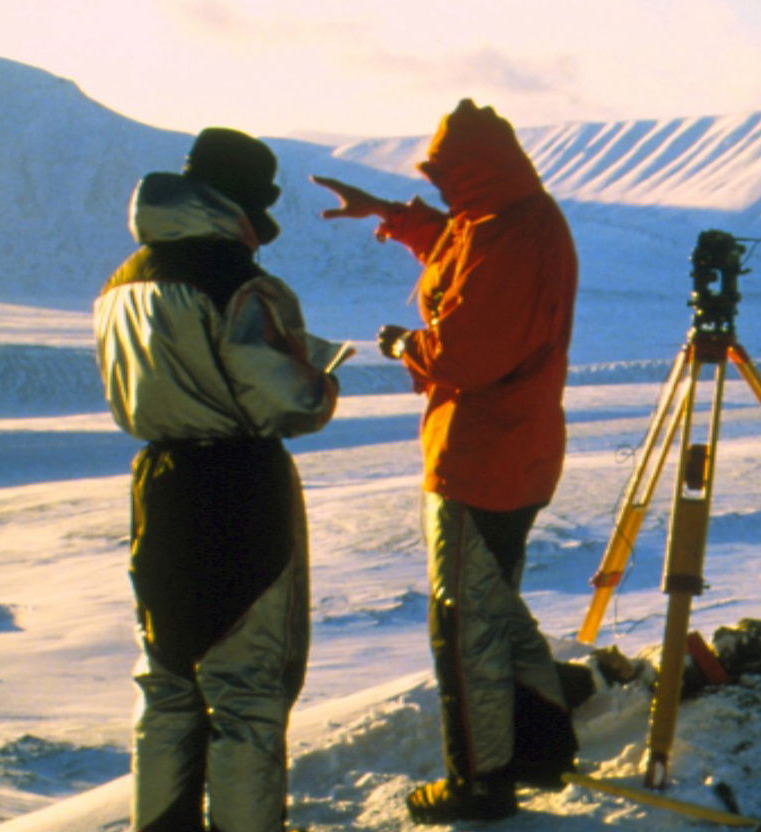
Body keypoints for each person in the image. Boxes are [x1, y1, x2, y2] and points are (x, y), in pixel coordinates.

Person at [312, 98, 582, 824]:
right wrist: (396, 218)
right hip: (502, 451)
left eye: (445, 174)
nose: (440, 188)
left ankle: (481, 780)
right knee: (490, 607)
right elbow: (460, 252)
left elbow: (467, 350)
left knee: (464, 626)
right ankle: (539, 741)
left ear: (475, 170)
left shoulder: (513, 232)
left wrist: (408, 347)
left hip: (483, 459)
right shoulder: (501, 218)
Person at [95, 128, 347, 831]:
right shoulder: (237, 282)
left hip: (159, 483)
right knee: (247, 696)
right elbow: (288, 401)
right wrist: (320, 381)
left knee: (170, 681)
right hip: (240, 489)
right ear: (240, 202)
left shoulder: (122, 280)